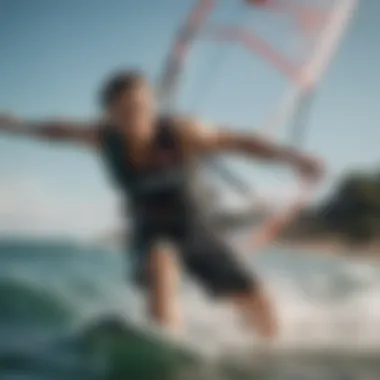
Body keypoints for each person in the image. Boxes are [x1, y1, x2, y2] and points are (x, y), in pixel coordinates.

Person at [0, 70, 322, 339]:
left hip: (196, 228)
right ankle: (171, 353)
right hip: (148, 231)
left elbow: (239, 142)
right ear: (110, 114)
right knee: (161, 261)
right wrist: (18, 126)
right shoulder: (104, 138)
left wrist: (291, 158)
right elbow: (56, 131)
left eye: (142, 106)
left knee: (257, 305)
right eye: (125, 110)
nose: (137, 117)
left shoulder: (182, 132)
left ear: (153, 104)